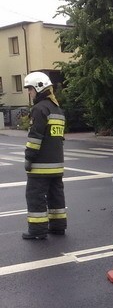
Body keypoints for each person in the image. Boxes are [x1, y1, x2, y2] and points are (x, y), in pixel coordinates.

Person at [22, 72, 67, 240]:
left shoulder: (39, 109)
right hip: (56, 165)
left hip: (40, 166)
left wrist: (29, 157)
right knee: (56, 196)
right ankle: (58, 226)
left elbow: (35, 138)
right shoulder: (57, 109)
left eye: (30, 89)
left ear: (39, 88)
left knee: (35, 196)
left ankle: (37, 230)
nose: (29, 92)